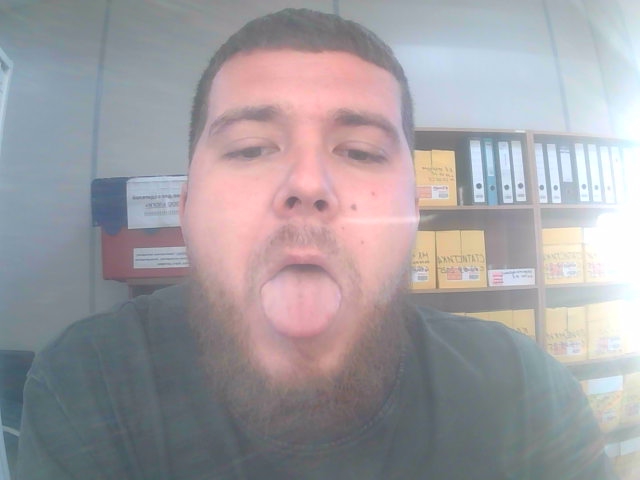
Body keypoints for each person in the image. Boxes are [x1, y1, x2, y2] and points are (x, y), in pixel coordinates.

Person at [17, 8, 615, 479]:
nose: (307, 184)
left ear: (413, 211)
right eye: (251, 148)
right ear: (186, 209)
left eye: (359, 152)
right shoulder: (88, 382)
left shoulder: (525, 395)